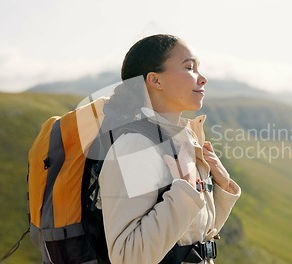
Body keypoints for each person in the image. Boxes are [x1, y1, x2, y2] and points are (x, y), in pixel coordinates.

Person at [98, 34, 241, 264]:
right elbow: (128, 257)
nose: (202, 78)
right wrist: (185, 194)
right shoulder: (135, 146)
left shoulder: (184, 138)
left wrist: (222, 189)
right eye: (190, 68)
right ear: (155, 80)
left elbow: (191, 237)